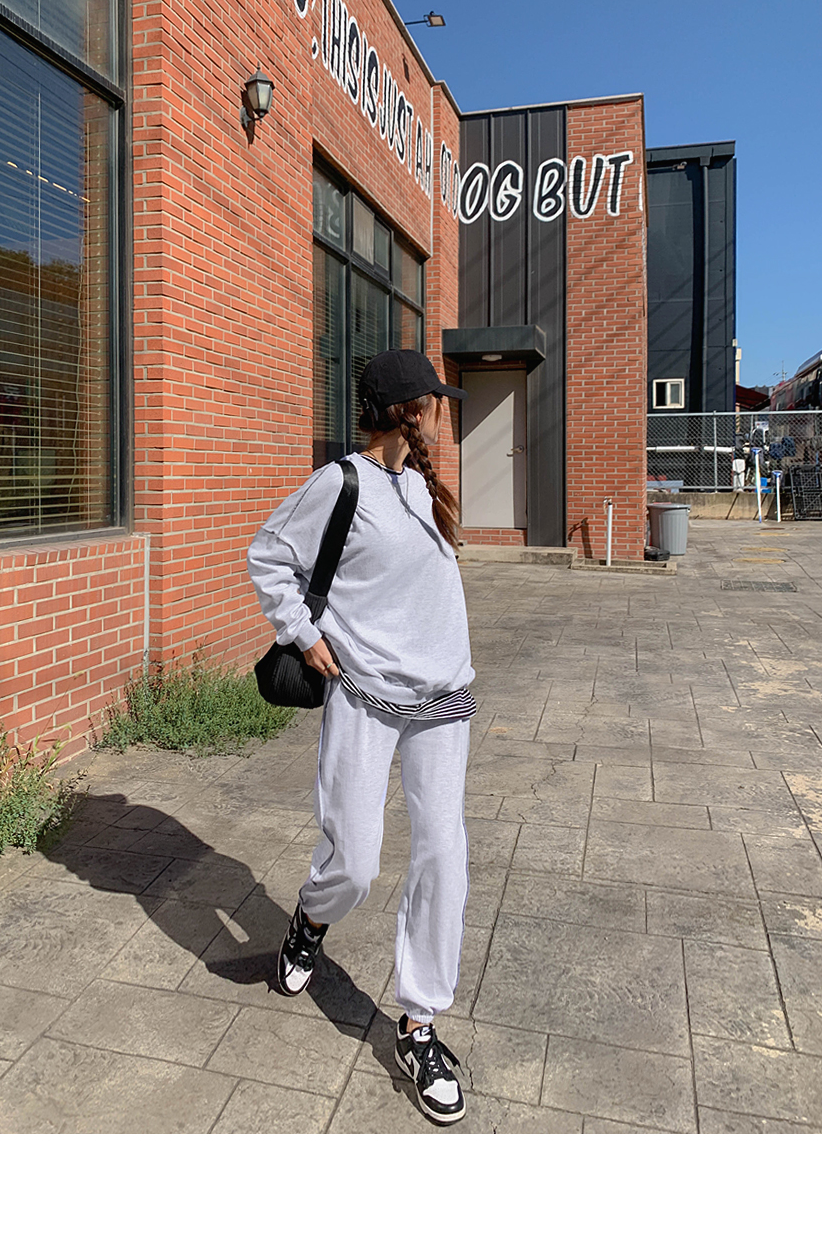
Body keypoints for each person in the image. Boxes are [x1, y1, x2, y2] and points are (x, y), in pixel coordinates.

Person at [247, 349, 475, 1125]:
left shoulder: (419, 483)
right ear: (409, 411)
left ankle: (419, 1025)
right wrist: (304, 633)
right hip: (367, 695)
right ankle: (311, 920)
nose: (442, 412)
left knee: (443, 856)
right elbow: (269, 555)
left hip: (442, 696)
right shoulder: (339, 483)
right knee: (355, 862)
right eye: (434, 402)